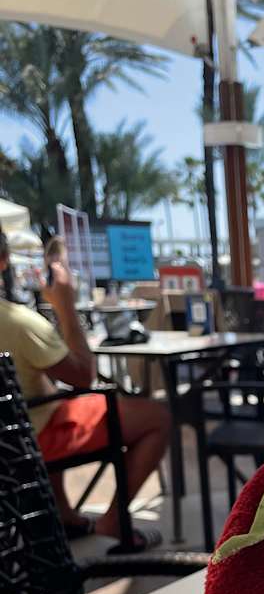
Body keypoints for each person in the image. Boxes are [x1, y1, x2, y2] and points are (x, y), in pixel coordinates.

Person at [0, 231, 169, 550]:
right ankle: (113, 521)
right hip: (25, 442)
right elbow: (82, 376)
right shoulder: (20, 323)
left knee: (53, 405)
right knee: (155, 417)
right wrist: (66, 306)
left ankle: (63, 517)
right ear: (4, 261)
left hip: (12, 439)